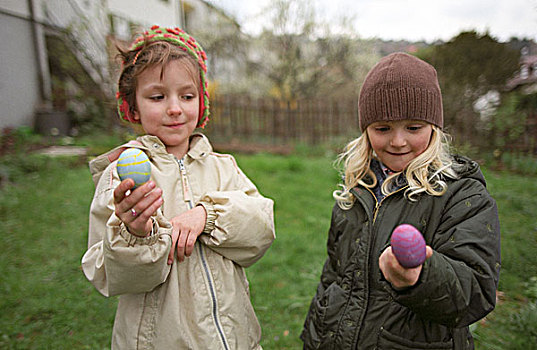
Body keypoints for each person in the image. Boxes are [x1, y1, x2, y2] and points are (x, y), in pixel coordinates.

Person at [81, 25, 275, 349]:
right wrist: (135, 235)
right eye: (157, 96)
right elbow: (108, 275)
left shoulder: (222, 167)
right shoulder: (120, 177)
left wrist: (207, 215)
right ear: (133, 107)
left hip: (234, 338)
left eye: (187, 96)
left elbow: (261, 229)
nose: (175, 108)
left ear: (201, 103)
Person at [301, 52, 501, 349]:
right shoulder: (357, 189)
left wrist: (420, 277)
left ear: (434, 127)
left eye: (413, 127)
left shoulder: (462, 196)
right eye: (382, 128)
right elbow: (334, 275)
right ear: (366, 131)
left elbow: (475, 291)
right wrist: (317, 338)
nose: (397, 141)